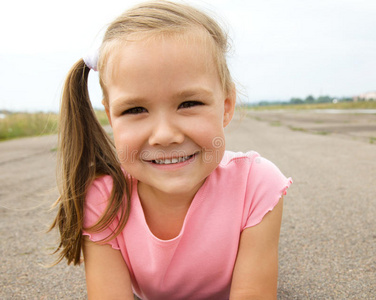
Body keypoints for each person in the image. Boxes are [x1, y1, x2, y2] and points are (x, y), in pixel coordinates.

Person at [50, 1, 292, 299]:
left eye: (189, 104)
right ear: (111, 117)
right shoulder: (103, 200)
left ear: (226, 106)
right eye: (135, 109)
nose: (164, 135)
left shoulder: (256, 185)